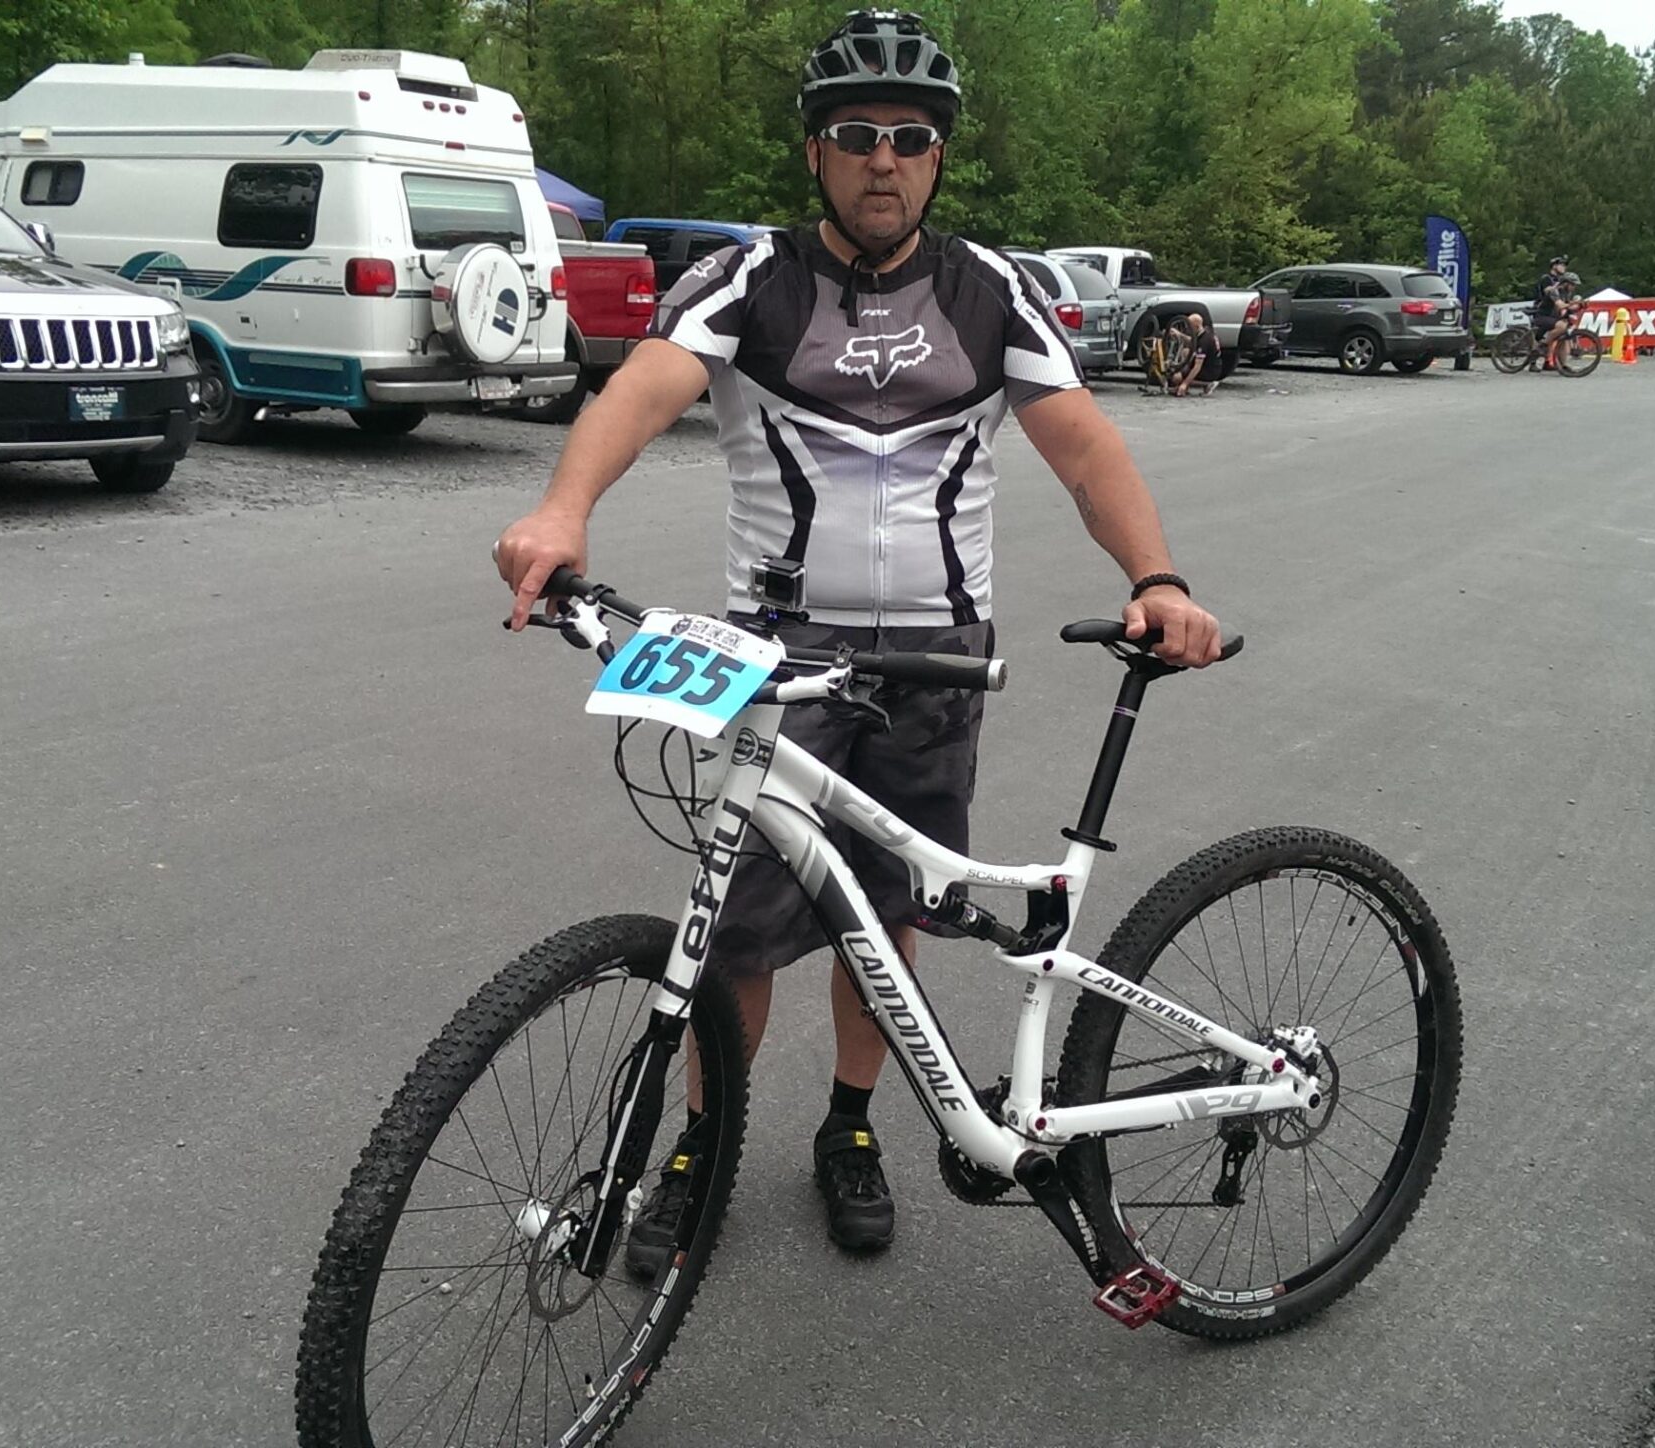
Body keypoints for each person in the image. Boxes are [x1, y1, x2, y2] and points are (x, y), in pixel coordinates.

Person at [491, 8, 1223, 1273]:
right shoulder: (747, 283)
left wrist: (1154, 575)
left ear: (938, 156)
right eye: (855, 137)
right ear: (816, 154)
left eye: (910, 137)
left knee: (886, 919)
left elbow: (1084, 446)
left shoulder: (987, 292)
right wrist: (562, 508)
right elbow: (645, 385)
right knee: (744, 925)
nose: (883, 159)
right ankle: (693, 1148)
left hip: (937, 653)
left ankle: (852, 1125)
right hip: (776, 649)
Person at [1169, 311, 1220, 397]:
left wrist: (1184, 384)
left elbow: (1197, 367)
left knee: (1176, 377)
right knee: (1186, 351)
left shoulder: (1205, 341)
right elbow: (1193, 342)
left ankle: (1206, 384)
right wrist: (1179, 335)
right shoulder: (1205, 332)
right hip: (1213, 365)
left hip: (1208, 371)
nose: (1187, 329)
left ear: (1196, 326)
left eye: (1189, 326)